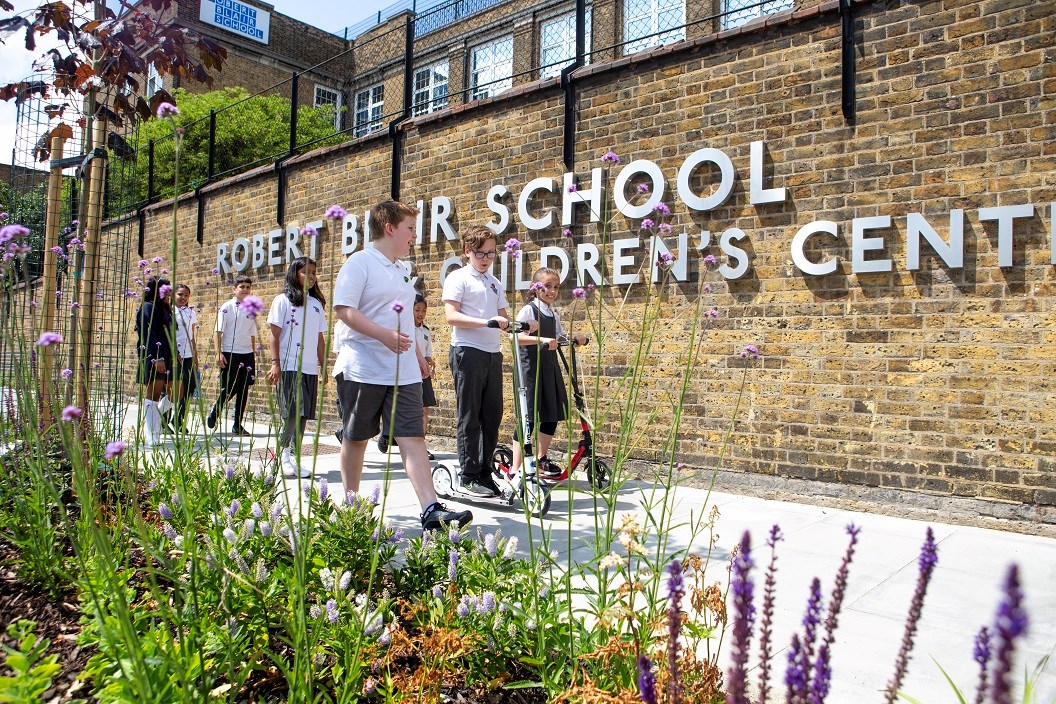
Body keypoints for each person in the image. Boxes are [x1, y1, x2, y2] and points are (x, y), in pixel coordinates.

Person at [333, 200, 471, 531]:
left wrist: (417, 358)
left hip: (403, 370)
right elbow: (344, 309)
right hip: (363, 366)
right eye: (409, 228)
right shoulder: (359, 264)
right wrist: (383, 336)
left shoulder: (402, 269)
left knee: (413, 437)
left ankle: (430, 509)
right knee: (357, 437)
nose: (413, 235)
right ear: (390, 228)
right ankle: (351, 506)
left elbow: (406, 319)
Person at [442, 225, 536, 497]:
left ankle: (484, 473)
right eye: (480, 253)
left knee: (492, 416)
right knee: (470, 414)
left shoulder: (493, 283)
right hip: (467, 351)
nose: (485, 259)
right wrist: (487, 322)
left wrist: (524, 325)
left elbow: (504, 320)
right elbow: (451, 316)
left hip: (492, 354)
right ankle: (468, 475)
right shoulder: (458, 278)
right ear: (467, 251)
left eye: (491, 254)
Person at [511, 267, 589, 477]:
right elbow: (515, 338)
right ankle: (515, 468)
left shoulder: (552, 313)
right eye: (547, 286)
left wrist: (575, 338)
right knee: (528, 418)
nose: (551, 291)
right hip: (530, 369)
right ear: (536, 288)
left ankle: (540, 459)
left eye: (555, 287)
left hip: (549, 367)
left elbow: (559, 337)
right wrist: (542, 340)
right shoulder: (529, 310)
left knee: (551, 415)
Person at [266, 257, 328, 478]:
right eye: (305, 272)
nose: (311, 277)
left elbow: (320, 338)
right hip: (289, 365)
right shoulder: (282, 301)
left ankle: (294, 457)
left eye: (313, 272)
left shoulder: (316, 305)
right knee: (291, 413)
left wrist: (323, 365)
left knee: (303, 416)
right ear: (294, 274)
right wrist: (275, 364)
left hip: (309, 368)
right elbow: (274, 335)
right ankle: (282, 456)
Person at [207, 276, 259, 435]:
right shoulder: (227, 307)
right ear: (234, 289)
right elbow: (218, 331)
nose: (245, 290)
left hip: (247, 354)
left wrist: (253, 355)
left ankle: (237, 424)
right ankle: (216, 410)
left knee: (243, 390)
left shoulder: (251, 309)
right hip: (230, 353)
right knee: (229, 388)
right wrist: (218, 353)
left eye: (248, 287)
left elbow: (252, 334)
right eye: (242, 286)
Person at [135, 276, 173, 447]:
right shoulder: (148, 307)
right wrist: (156, 357)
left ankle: (154, 417)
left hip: (168, 354)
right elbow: (147, 333)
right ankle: (152, 434)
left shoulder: (165, 308)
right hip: (154, 354)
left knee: (178, 391)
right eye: (164, 289)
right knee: (154, 394)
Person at [171, 284, 199, 431]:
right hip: (175, 355)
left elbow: (192, 335)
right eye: (180, 294)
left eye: (186, 295)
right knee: (173, 388)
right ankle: (164, 418)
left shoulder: (190, 313)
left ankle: (178, 418)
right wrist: (175, 353)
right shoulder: (170, 311)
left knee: (190, 387)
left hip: (188, 355)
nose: (183, 298)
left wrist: (195, 355)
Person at [413, 293, 438, 460]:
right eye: (417, 310)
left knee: (424, 409)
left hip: (423, 374)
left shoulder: (426, 331)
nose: (420, 313)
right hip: (408, 373)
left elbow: (427, 353)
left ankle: (421, 446)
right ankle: (388, 435)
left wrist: (430, 362)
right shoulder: (405, 328)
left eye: (423, 310)